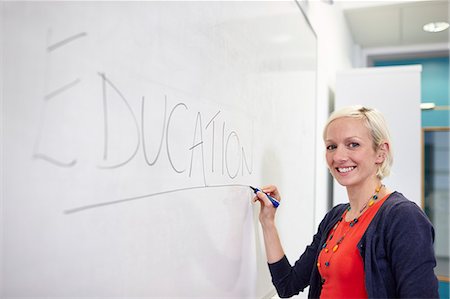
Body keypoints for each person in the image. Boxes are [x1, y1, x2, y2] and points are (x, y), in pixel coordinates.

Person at [252, 105, 439, 299]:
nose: (339, 157)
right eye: (331, 146)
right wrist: (268, 222)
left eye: (353, 144)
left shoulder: (403, 217)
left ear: (381, 152)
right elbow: (287, 285)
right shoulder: (334, 218)